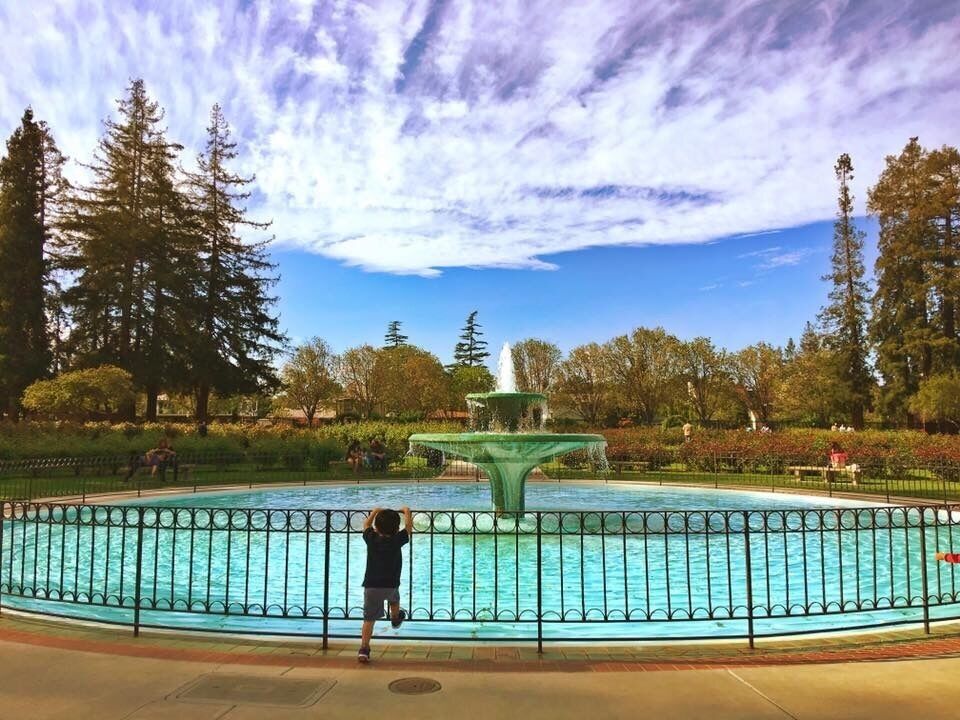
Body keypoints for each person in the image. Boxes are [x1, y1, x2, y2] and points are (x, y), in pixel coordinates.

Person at [358, 506, 413, 663]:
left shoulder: (371, 538)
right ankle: (395, 618)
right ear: (396, 528)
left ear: (376, 527)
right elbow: (408, 528)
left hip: (371, 585)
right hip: (391, 583)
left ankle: (364, 649)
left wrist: (374, 511)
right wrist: (407, 512)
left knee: (369, 620)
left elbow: (366, 525)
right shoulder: (397, 540)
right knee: (394, 600)